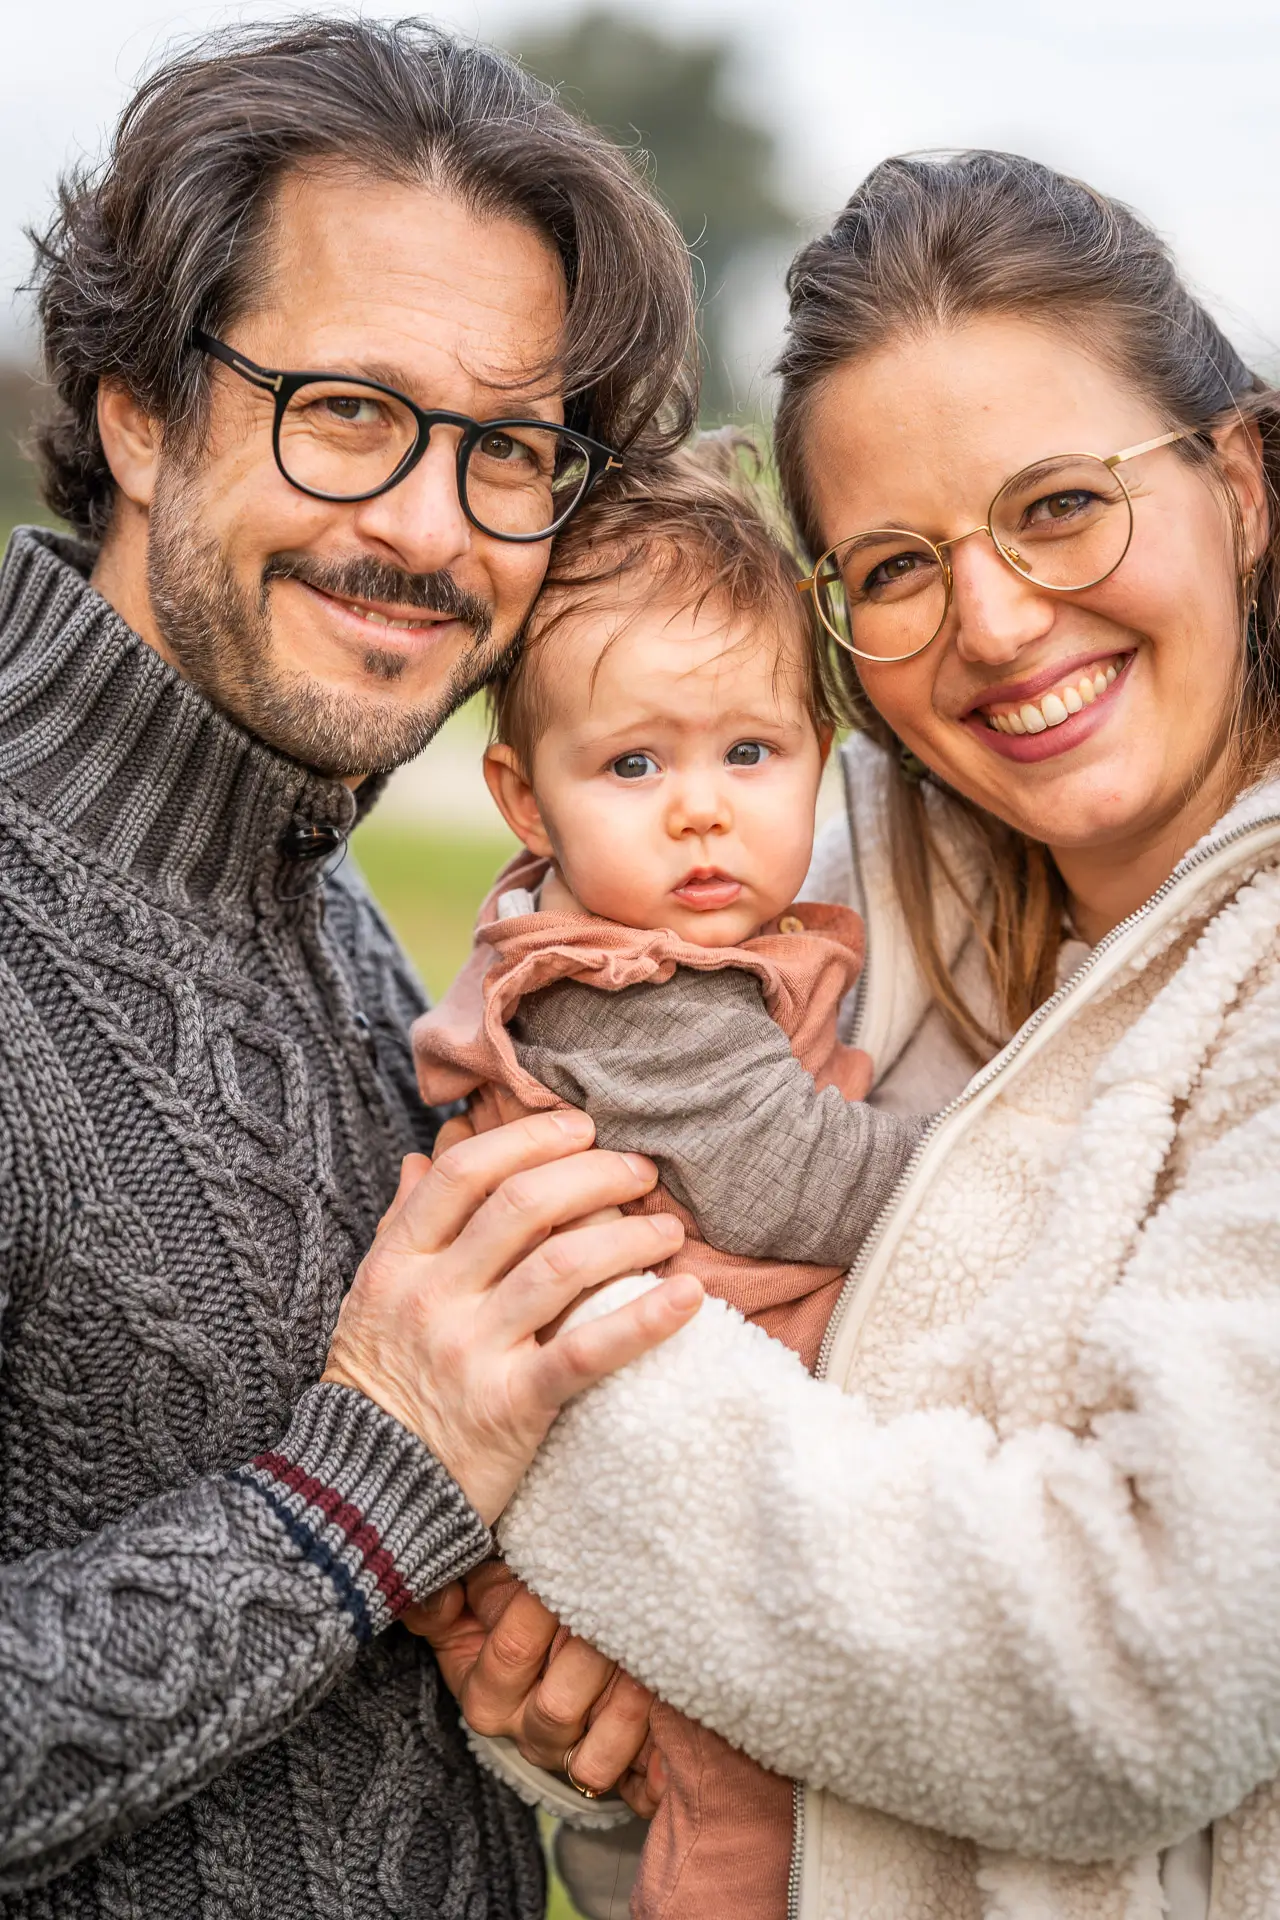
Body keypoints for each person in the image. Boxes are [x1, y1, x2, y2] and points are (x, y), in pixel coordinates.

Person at [419, 152, 1280, 1920]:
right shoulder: (815, 869)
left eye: (1060, 504)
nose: (993, 622)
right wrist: (552, 1694)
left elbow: (1138, 1673)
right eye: (894, 563)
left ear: (1244, 483)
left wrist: (538, 1441)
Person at [0, 18, 705, 1917]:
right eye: (346, 411)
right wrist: (351, 1502)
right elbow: (367, 1494)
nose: (424, 529)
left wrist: (513, 1666)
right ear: (140, 407)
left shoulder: (347, 924)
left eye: (507, 451)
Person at [411, 448, 922, 1918]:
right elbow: (793, 1179)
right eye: (634, 765)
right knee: (740, 1810)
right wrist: (1004, 1155)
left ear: (821, 752)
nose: (700, 810)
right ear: (525, 795)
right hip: (655, 1486)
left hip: (720, 1446)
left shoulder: (704, 946)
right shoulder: (626, 994)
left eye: (748, 755)